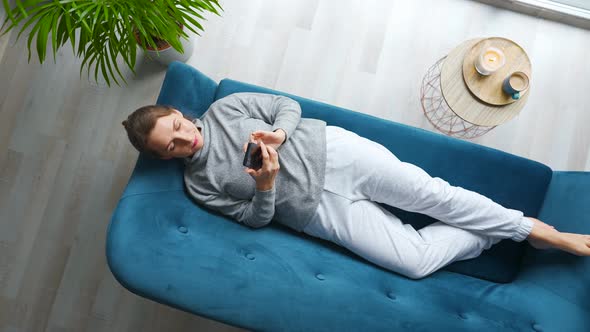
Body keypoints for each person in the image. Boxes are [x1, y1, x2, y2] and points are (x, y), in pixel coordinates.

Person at [122, 92, 590, 280]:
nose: (186, 137)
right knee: (413, 262)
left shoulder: (224, 109)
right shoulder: (198, 187)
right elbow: (253, 221)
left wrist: (280, 135)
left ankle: (541, 234)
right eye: (172, 145)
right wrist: (265, 186)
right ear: (165, 157)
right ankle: (508, 228)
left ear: (179, 113)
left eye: (178, 125)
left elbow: (285, 105)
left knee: (435, 197)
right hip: (318, 215)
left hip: (340, 156)